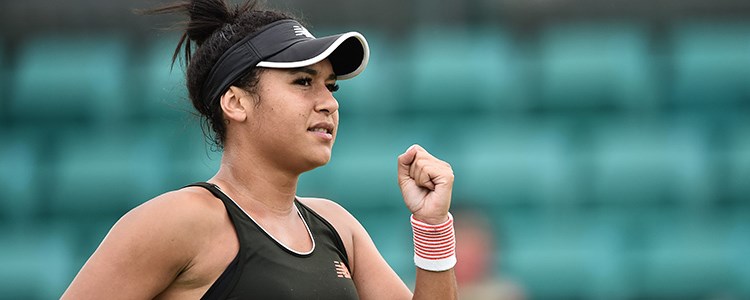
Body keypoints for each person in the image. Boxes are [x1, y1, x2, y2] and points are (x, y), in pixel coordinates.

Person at [62, 0, 458, 299]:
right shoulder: (179, 221)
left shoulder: (339, 226)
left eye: (331, 85)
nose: (329, 102)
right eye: (304, 82)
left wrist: (432, 226)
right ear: (235, 102)